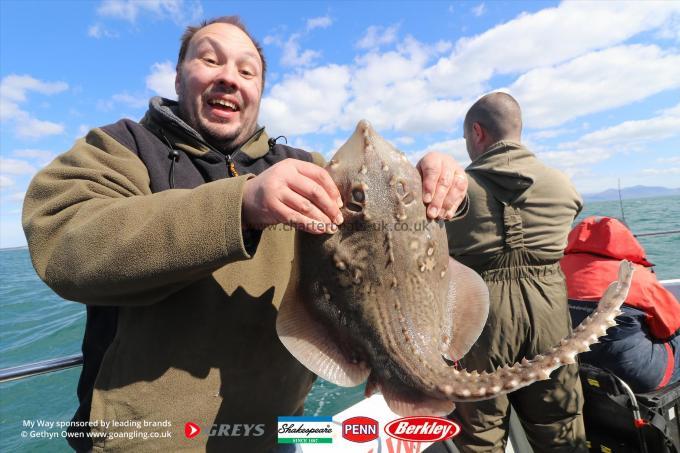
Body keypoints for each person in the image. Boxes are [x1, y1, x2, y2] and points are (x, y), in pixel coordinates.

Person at [21, 15, 468, 452]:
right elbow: (64, 243)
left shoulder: (304, 165)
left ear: (259, 90)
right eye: (210, 61)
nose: (229, 78)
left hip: (278, 433)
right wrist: (241, 205)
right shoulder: (122, 148)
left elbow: (382, 220)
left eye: (246, 70)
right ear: (178, 78)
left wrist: (434, 187)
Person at [443, 92, 586, 452]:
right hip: (551, 314)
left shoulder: (456, 190)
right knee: (560, 421)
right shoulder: (563, 186)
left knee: (481, 431)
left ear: (477, 133)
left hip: (480, 319)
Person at [562, 216, 680, 393]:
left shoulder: (556, 270)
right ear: (626, 239)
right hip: (632, 374)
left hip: (572, 365)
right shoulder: (635, 276)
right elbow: (670, 325)